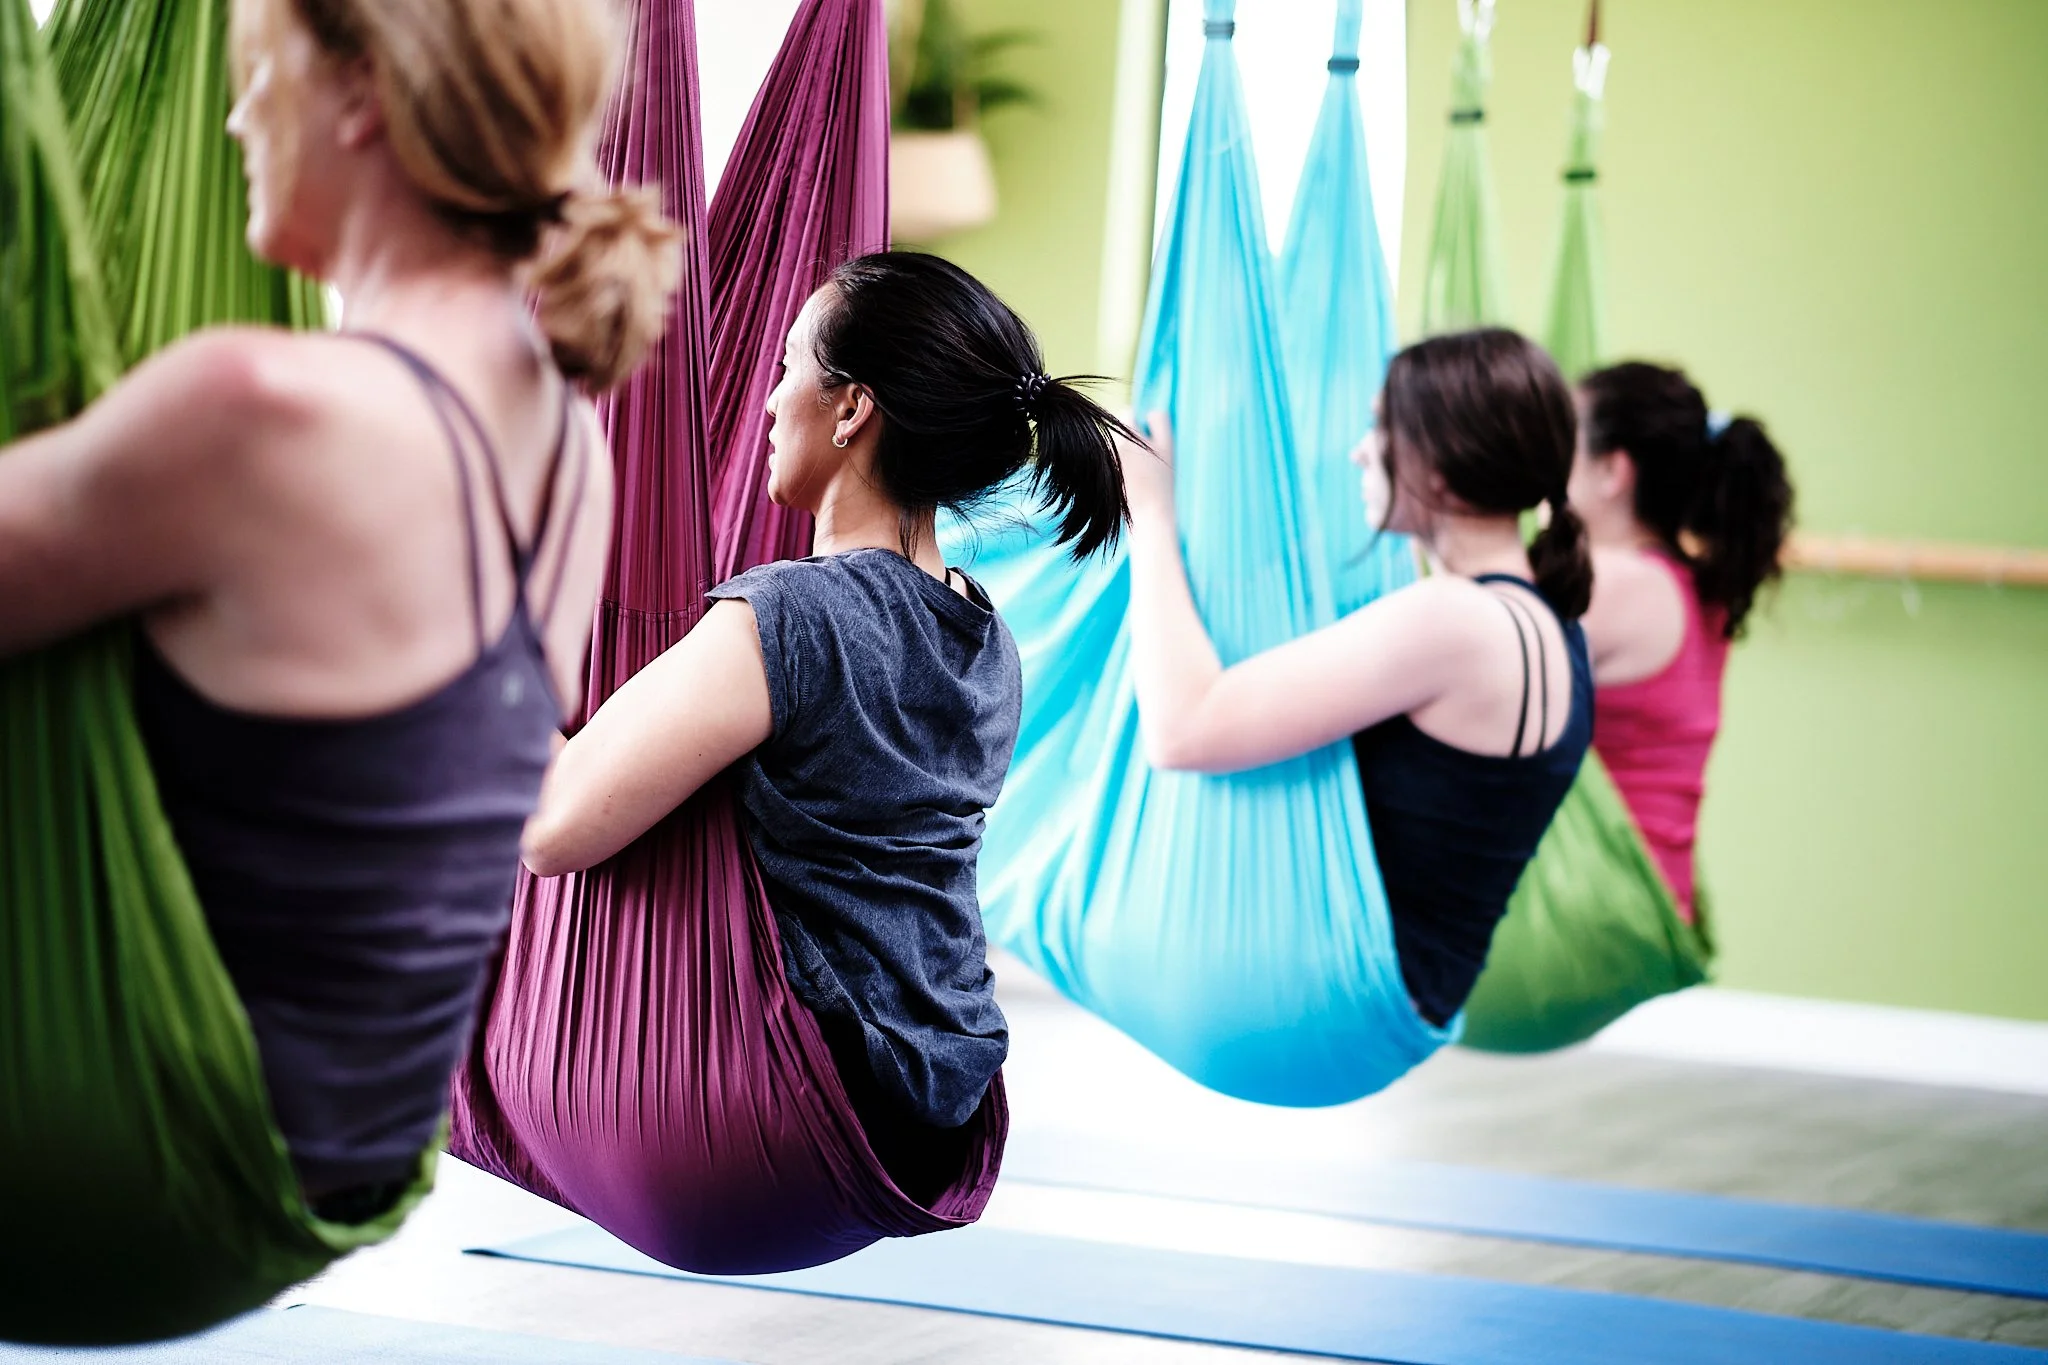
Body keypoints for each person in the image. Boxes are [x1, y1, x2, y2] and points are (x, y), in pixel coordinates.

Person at [0, 0, 680, 1222]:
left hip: (160, 1140)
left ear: (363, 94)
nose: (231, 112)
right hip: (355, 1145)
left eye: (256, 71)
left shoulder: (263, 410)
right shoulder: (571, 453)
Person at [520, 251, 1131, 1200]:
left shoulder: (792, 617)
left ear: (851, 408)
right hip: (930, 1111)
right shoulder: (987, 638)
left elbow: (552, 829)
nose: (765, 404)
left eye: (787, 368)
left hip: (797, 1097)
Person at [1120, 327, 1593, 1028]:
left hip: (1354, 1000)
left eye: (1380, 428)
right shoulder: (1554, 624)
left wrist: (1150, 515)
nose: (1360, 450)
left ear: (1440, 466)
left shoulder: (1455, 621)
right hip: (1422, 998)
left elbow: (1181, 730)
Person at [1567, 361, 1795, 921]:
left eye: (1564, 439)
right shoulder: (1689, 583)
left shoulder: (1621, 584)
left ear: (1612, 472)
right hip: (1653, 900)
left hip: (1599, 904)